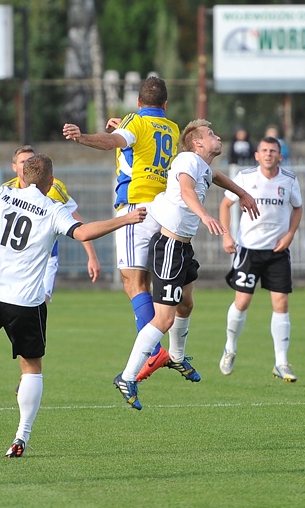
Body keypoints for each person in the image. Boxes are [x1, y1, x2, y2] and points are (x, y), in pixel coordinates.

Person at [0, 154, 146, 455]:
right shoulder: (53, 209)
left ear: (22, 176)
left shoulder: (3, 195)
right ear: (50, 182)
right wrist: (126, 218)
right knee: (31, 368)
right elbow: (83, 232)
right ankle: (22, 436)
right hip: (26, 303)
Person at [113, 120, 254, 410]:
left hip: (183, 247)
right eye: (210, 134)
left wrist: (243, 193)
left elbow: (216, 177)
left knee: (186, 304)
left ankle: (177, 357)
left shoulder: (200, 164)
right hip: (170, 248)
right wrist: (205, 215)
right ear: (198, 144)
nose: (217, 137)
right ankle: (127, 377)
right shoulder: (188, 159)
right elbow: (187, 190)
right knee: (163, 319)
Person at [61, 76, 182, 383]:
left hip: (135, 207)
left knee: (132, 282)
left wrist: (82, 137)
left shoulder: (136, 123)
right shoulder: (172, 127)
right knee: (151, 280)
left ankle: (153, 351)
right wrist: (124, 126)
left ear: (138, 103)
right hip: (165, 208)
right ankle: (169, 345)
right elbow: (138, 143)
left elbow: (115, 142)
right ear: (165, 105)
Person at [218, 136, 304, 383]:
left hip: (277, 252)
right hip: (248, 250)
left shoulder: (288, 180)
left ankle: (281, 362)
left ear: (280, 156)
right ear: (257, 155)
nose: (268, 154)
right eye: (264, 150)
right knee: (242, 302)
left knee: (281, 303)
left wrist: (289, 235)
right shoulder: (245, 177)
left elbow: (298, 208)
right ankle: (230, 347)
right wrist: (226, 236)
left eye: (273, 151)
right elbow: (225, 205)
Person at [2, 145, 100, 301]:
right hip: (15, 261)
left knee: (41, 304)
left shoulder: (54, 188)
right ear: (14, 167)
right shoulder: (6, 191)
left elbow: (77, 222)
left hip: (46, 259)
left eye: (31, 160)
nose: (28, 165)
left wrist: (92, 257)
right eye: (23, 162)